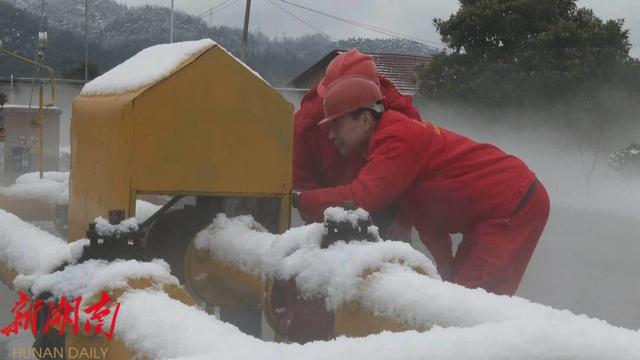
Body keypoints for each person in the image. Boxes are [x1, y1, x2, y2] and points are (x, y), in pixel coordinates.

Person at [292, 74, 550, 296]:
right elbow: (429, 217)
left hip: (513, 203)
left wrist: (299, 199)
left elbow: (363, 197)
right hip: (497, 209)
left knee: (471, 304)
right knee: (458, 293)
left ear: (366, 119)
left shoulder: (396, 140)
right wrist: (446, 268)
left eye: (336, 123)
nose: (330, 134)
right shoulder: (382, 149)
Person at [294, 49, 422, 237]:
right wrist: (320, 219)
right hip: (329, 206)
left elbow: (415, 178)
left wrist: (404, 220)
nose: (331, 134)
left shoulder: (401, 118)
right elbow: (301, 176)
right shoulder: (307, 125)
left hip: (385, 207)